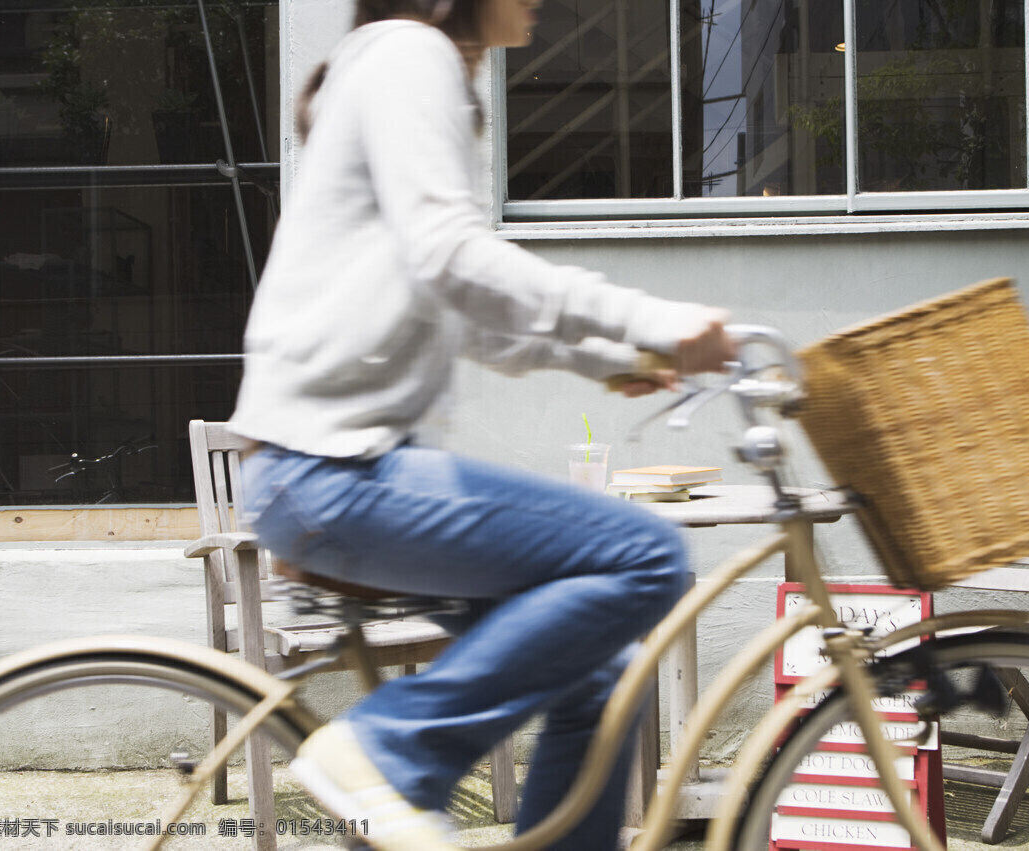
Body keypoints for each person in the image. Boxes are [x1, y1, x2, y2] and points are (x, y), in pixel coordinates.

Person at [229, 1, 735, 848]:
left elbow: (461, 312)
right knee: (649, 553)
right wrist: (650, 316)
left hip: (326, 473)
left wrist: (604, 356)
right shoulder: (407, 55)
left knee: (602, 680)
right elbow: (453, 253)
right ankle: (390, 747)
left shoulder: (392, 65)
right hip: (332, 473)